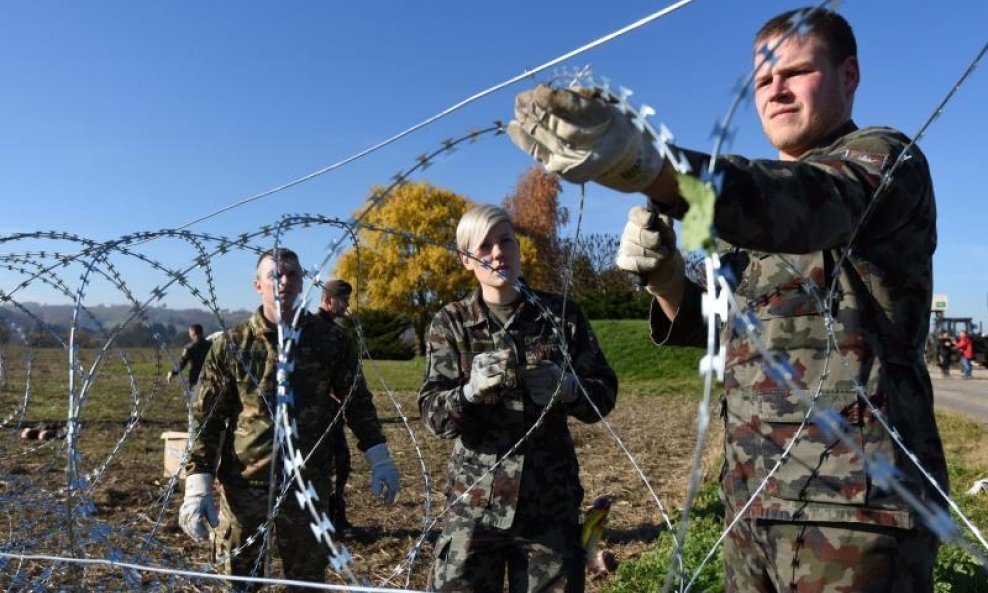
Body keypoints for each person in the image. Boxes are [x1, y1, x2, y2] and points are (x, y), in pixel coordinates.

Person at [508, 7, 948, 593]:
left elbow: (809, 201)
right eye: (763, 80)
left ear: (849, 76)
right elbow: (729, 327)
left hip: (851, 511)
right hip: (752, 500)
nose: (777, 90)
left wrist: (657, 171)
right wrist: (666, 278)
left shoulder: (880, 162)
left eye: (796, 72)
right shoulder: (758, 213)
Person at [418, 204, 618, 593]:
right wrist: (469, 393)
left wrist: (571, 389)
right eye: (485, 245)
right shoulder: (452, 323)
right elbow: (433, 415)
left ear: (518, 248)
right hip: (474, 505)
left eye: (505, 241)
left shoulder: (560, 316)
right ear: (466, 260)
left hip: (548, 506)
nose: (497, 253)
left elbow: (605, 394)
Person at [178, 248, 400, 591]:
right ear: (257, 285)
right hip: (245, 487)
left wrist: (380, 457)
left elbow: (357, 403)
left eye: (292, 274)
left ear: (302, 283)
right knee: (238, 583)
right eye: (273, 275)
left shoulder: (329, 341)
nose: (283, 281)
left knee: (307, 584)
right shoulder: (232, 346)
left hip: (307, 487)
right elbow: (206, 419)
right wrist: (197, 485)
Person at [318, 278, 355, 532]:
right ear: (329, 301)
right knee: (330, 467)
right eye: (343, 300)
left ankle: (336, 518)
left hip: (332, 415)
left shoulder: (332, 331)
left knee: (340, 463)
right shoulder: (318, 332)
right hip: (318, 417)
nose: (347, 305)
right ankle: (328, 521)